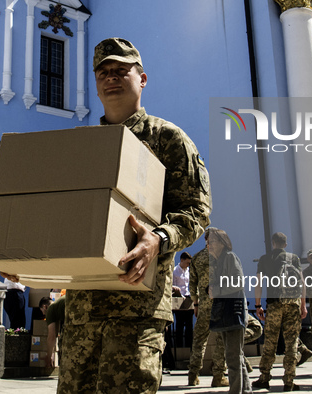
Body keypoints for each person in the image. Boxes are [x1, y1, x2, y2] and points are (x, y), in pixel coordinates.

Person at [56, 37, 211, 393]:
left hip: (137, 310)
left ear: (142, 79)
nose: (111, 78)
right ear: (96, 86)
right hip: (82, 310)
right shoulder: (81, 145)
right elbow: (64, 212)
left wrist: (159, 239)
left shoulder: (168, 139)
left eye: (121, 71)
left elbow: (196, 211)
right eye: (103, 73)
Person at [252, 232, 307, 392]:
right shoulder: (294, 258)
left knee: (270, 342)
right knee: (292, 343)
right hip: (293, 305)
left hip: (274, 304)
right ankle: (289, 381)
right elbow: (302, 283)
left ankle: (264, 378)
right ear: (286, 244)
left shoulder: (265, 259)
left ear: (273, 243)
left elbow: (258, 283)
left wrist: (257, 306)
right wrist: (303, 305)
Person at [208, 228, 252, 394]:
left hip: (234, 313)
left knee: (233, 358)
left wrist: (216, 291)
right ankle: (245, 390)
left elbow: (239, 283)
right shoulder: (220, 261)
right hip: (227, 314)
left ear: (222, 243)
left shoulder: (230, 258)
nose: (209, 246)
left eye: (211, 242)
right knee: (236, 356)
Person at [188, 230, 228, 387]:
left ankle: (193, 375)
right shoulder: (223, 256)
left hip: (204, 305)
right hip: (220, 304)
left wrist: (196, 304)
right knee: (221, 340)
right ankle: (218, 376)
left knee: (199, 340)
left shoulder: (197, 257)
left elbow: (192, 284)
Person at [173, 252, 194, 348]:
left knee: (189, 325)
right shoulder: (175, 271)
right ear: (181, 260)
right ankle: (179, 346)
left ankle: (189, 346)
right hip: (179, 299)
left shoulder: (188, 271)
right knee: (180, 324)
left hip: (188, 298)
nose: (188, 265)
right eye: (187, 263)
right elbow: (172, 286)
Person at [43, 295, 65, 368]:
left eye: (42, 311)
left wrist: (48, 358)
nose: (43, 314)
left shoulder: (50, 309)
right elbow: (56, 334)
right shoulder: (58, 305)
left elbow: (51, 337)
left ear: (44, 307)